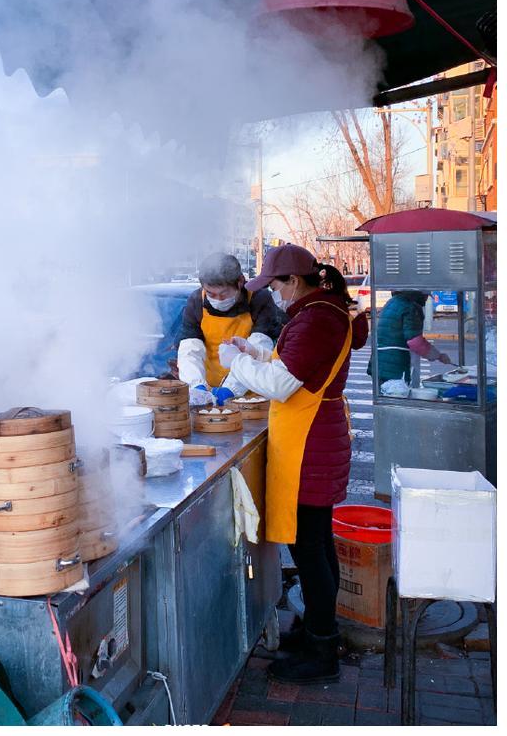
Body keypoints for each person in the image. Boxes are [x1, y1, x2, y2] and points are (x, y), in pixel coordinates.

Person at [219, 245, 368, 684]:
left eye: (276, 285)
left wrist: (239, 364)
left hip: (312, 446)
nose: (274, 295)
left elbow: (282, 386)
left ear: (294, 281)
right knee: (315, 543)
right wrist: (254, 352)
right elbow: (294, 368)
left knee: (311, 549)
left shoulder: (317, 318)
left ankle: (322, 649)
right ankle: (316, 631)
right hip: (316, 441)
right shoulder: (320, 311)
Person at [176, 252, 281, 405]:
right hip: (209, 389)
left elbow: (259, 347)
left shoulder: (259, 299)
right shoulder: (197, 301)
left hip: (252, 394)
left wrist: (230, 389)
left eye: (223, 294)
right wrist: (196, 385)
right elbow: (189, 349)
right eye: (211, 294)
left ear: (239, 282)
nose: (218, 300)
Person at [367, 290, 451, 387]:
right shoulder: (410, 307)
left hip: (380, 363)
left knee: (387, 397)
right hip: (397, 367)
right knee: (399, 398)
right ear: (419, 294)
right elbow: (415, 342)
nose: (426, 299)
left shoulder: (392, 302)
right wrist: (438, 356)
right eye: (426, 296)